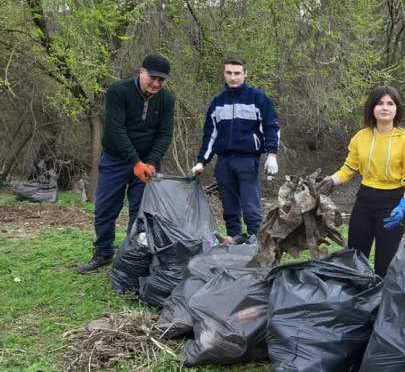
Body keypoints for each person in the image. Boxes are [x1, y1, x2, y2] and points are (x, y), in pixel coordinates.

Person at [79, 54, 175, 273]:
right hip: (116, 160)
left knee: (141, 213)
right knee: (105, 209)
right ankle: (103, 252)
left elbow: (164, 134)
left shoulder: (167, 100)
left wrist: (151, 161)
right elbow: (116, 130)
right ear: (140, 72)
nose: (156, 84)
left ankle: (132, 257)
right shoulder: (118, 91)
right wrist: (135, 162)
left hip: (147, 164)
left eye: (162, 80)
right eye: (152, 77)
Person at [318, 86, 405, 277]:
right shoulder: (361, 137)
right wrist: (331, 181)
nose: (385, 108)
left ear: (396, 109)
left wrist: (404, 204)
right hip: (364, 201)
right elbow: (349, 169)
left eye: (390, 103)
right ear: (372, 108)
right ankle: (356, 299)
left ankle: (381, 302)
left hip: (393, 203)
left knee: (385, 263)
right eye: (380, 103)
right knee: (356, 258)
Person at [191, 56, 280, 244]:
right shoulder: (217, 102)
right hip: (223, 161)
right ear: (224, 74)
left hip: (248, 160)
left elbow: (271, 126)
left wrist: (272, 154)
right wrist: (201, 161)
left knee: (250, 206)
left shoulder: (258, 98)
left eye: (237, 73)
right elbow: (210, 135)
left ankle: (257, 242)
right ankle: (234, 240)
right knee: (230, 207)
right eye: (229, 73)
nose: (233, 77)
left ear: (245, 74)